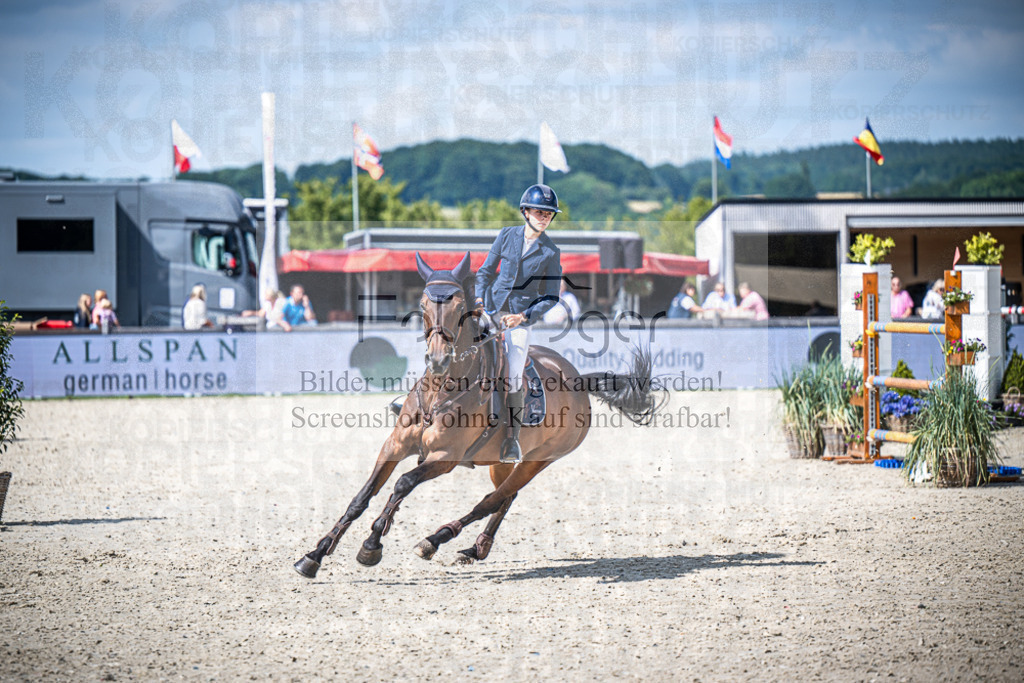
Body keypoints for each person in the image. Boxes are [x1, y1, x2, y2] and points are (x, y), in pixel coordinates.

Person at [475, 183, 563, 463]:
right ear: (525, 211)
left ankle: (511, 440)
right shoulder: (506, 235)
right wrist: (479, 302)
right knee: (451, 344)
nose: (544, 217)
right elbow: (485, 272)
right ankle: (416, 404)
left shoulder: (551, 252)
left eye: (549, 214)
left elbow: (551, 297)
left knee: (513, 374)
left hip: (519, 320)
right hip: (489, 310)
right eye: (539, 211)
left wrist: (523, 317)